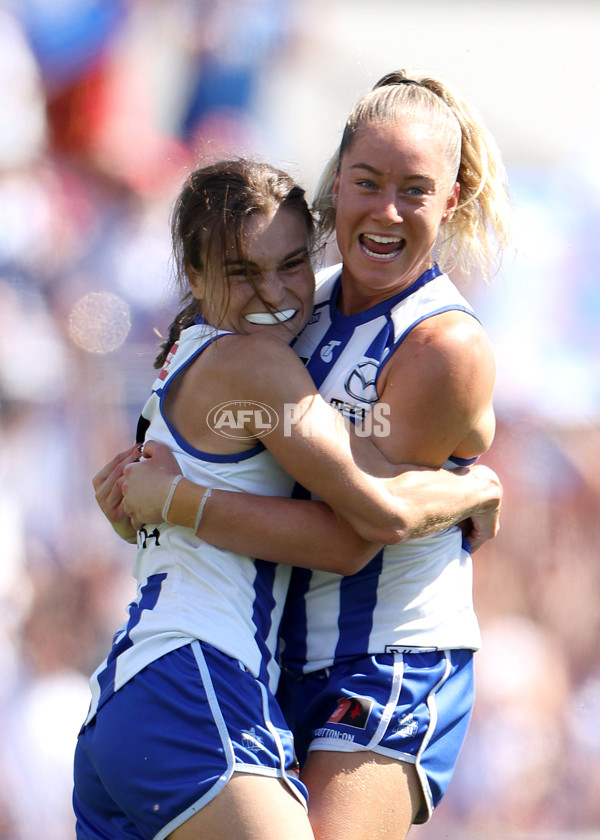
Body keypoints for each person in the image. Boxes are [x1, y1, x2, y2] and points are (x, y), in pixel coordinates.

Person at [114, 69, 512, 840]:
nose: (386, 211)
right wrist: (135, 479)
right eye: (368, 182)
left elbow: (354, 537)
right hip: (269, 665)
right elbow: (209, 427)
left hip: (385, 657)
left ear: (451, 202)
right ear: (337, 180)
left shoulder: (444, 345)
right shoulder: (298, 292)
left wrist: (178, 504)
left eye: (415, 191)